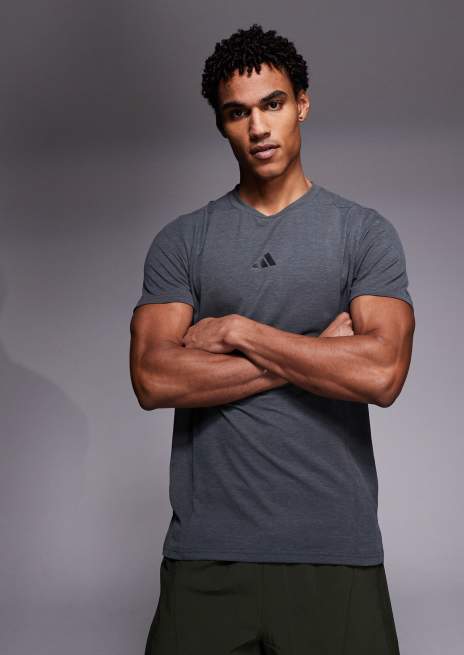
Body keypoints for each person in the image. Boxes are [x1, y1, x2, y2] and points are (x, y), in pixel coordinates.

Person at [130, 22, 415, 655]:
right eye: (238, 113)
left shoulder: (363, 233)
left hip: (334, 552)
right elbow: (152, 378)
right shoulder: (184, 241)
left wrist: (240, 331)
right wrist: (318, 352)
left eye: (274, 104)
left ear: (302, 104)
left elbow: (382, 373)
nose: (258, 127)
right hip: (207, 556)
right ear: (222, 124)